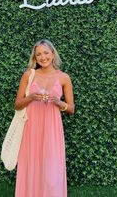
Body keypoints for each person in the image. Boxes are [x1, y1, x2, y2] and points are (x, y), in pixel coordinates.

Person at [14, 39, 74, 197]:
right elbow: (17, 104)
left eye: (46, 53)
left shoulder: (64, 78)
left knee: (52, 168)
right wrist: (31, 97)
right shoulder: (29, 75)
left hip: (52, 129)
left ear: (53, 54)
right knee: (31, 165)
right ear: (35, 57)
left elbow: (71, 109)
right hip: (31, 127)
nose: (43, 57)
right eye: (38, 54)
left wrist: (59, 103)